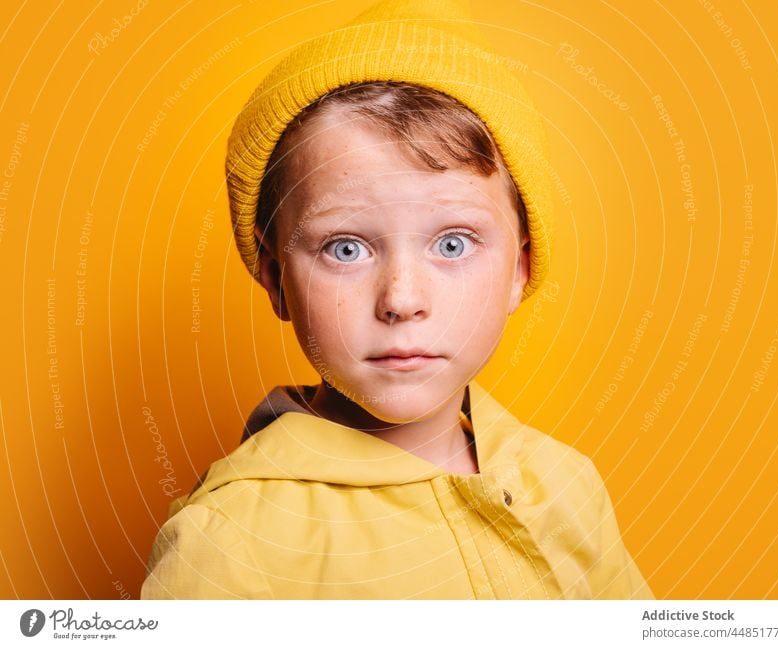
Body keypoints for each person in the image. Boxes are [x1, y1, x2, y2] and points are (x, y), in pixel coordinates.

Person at [140, 0, 654, 599]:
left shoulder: (566, 483)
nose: (402, 300)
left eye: (454, 243)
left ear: (521, 267)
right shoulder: (228, 543)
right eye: (346, 249)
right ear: (276, 278)